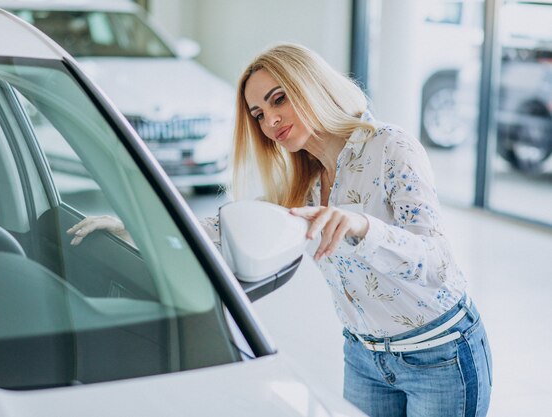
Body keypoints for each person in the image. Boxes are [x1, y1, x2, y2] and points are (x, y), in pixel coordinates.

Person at [67, 43, 492, 417]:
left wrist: (362, 227)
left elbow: (435, 260)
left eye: (278, 100)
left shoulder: (389, 146)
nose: (270, 120)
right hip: (365, 357)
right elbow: (225, 228)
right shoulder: (301, 184)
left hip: (440, 354)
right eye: (259, 114)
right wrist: (135, 227)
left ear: (309, 85)